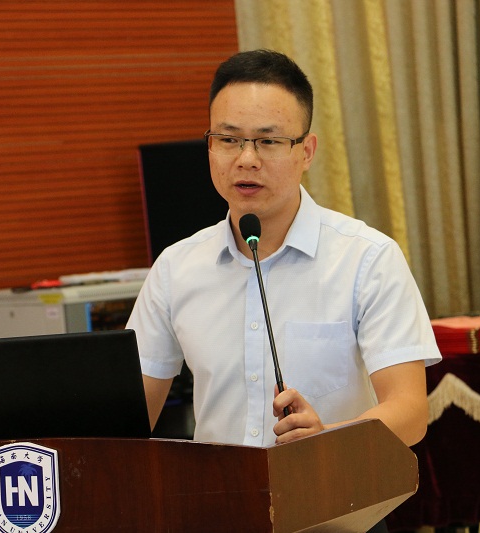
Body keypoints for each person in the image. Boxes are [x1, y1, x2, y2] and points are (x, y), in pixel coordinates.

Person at [127, 49, 441, 450]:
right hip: (219, 491)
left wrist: (327, 439)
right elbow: (128, 420)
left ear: (306, 151)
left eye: (268, 141)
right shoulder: (175, 268)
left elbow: (410, 412)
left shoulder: (368, 259)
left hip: (333, 489)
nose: (246, 159)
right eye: (228, 140)